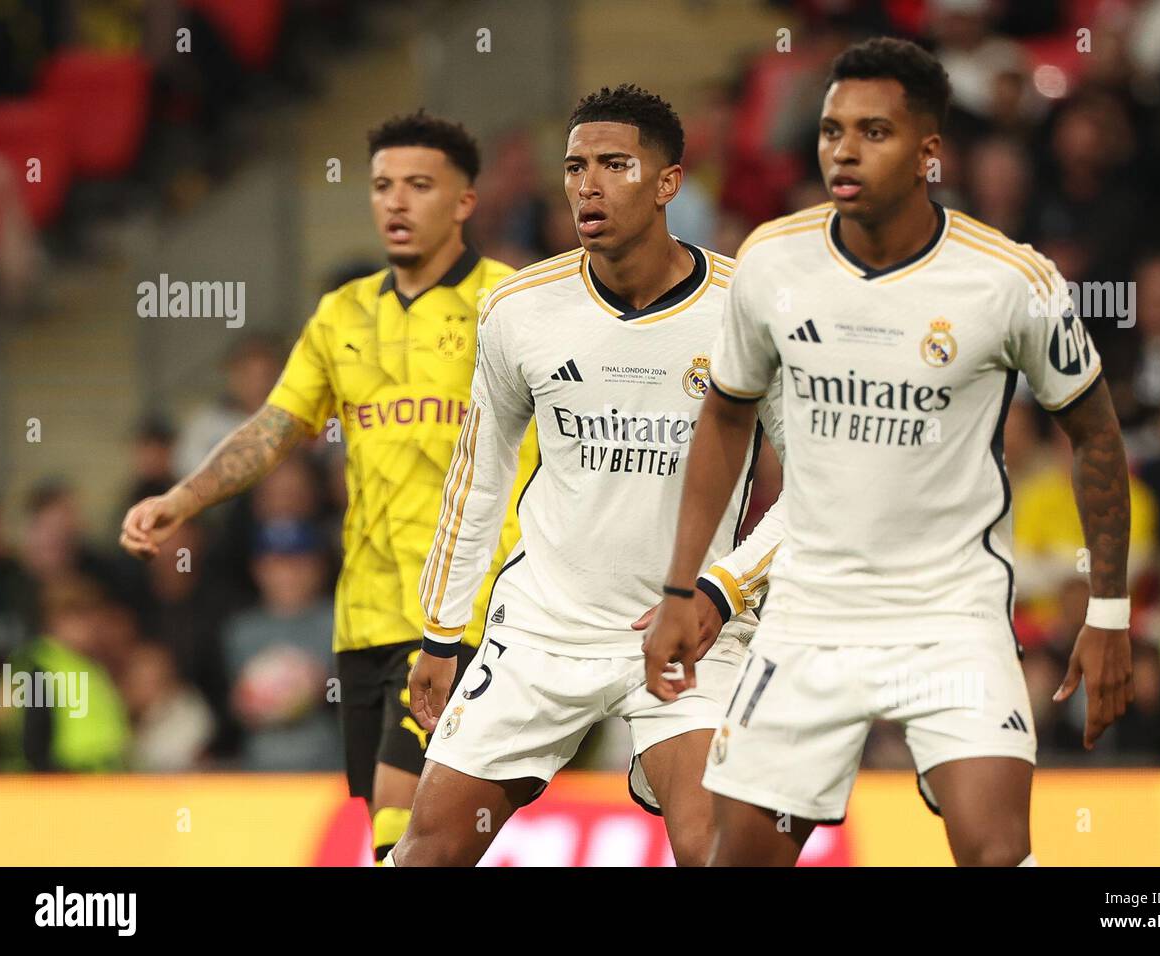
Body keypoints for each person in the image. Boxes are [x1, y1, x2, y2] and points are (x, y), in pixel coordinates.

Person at [644, 37, 1135, 866]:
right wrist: (679, 586)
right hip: (809, 616)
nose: (844, 149)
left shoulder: (1009, 281)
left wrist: (1110, 611)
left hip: (950, 612)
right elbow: (726, 419)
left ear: (928, 153)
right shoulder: (771, 262)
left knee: (996, 853)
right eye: (833, 129)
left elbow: (1095, 433)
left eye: (875, 132)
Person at [119, 110, 535, 863]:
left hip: (466, 612)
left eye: (418, 185)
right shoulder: (342, 315)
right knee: (399, 840)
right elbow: (275, 428)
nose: (396, 203)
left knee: (406, 827)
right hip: (364, 616)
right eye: (381, 186)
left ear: (465, 201)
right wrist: (180, 500)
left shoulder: (511, 306)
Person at [389, 85, 785, 867]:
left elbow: (820, 494)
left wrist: (723, 591)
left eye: (613, 165)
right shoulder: (519, 309)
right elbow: (478, 478)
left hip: (690, 636)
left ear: (668, 183)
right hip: (543, 628)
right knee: (427, 853)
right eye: (574, 168)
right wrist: (440, 633)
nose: (587, 186)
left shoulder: (750, 308)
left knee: (716, 851)